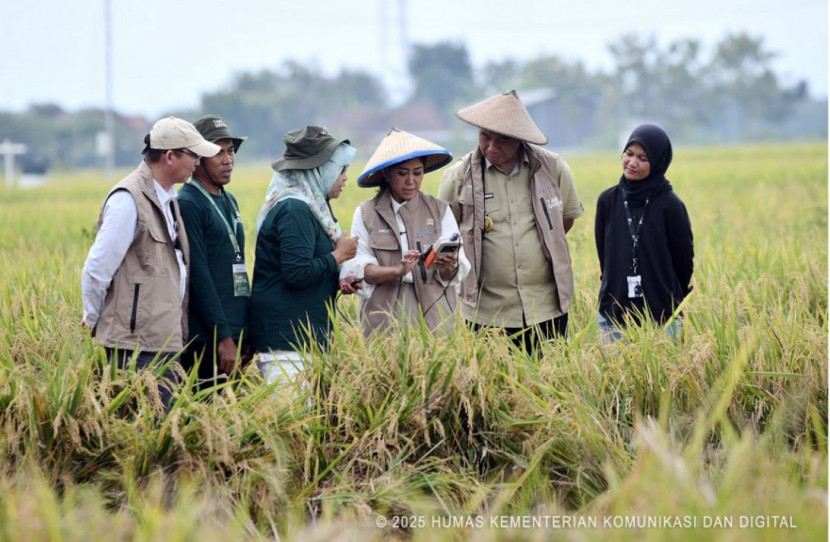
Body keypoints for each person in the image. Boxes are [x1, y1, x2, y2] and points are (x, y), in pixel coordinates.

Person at [81, 116, 220, 407]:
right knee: (142, 433)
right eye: (194, 155)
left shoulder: (169, 197)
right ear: (170, 156)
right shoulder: (128, 199)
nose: (198, 163)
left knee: (164, 431)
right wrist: (95, 320)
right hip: (135, 345)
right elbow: (97, 268)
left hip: (164, 339)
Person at [438, 90, 584, 353]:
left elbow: (565, 220)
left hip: (546, 306)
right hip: (486, 311)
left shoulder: (552, 169)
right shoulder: (459, 177)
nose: (491, 148)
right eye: (485, 137)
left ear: (520, 139)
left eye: (503, 140)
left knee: (548, 382)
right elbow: (447, 235)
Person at [248, 126, 359, 384]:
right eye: (341, 169)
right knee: (292, 421)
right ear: (318, 170)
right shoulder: (294, 210)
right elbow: (296, 273)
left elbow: (307, 266)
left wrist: (338, 277)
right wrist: (338, 256)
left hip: (302, 341)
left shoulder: (310, 207)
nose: (345, 177)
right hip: (288, 344)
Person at [340, 128, 470, 336]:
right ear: (387, 174)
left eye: (417, 173)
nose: (411, 181)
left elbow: (454, 273)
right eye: (403, 173)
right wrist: (397, 270)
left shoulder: (440, 210)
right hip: (384, 311)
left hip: (434, 312)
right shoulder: (366, 213)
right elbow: (360, 268)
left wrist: (449, 264)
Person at [594, 124, 694, 343]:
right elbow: (605, 255)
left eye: (643, 158)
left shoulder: (671, 205)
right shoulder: (608, 201)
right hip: (615, 308)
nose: (632, 162)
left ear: (658, 162)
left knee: (666, 374)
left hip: (662, 313)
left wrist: (669, 293)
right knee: (615, 374)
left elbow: (684, 261)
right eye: (629, 154)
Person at [177, 115, 250, 391]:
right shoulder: (189, 204)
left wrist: (245, 330)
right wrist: (223, 337)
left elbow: (238, 264)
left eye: (230, 150)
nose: (227, 159)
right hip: (208, 337)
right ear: (198, 159)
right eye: (217, 152)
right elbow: (199, 275)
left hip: (236, 331)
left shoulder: (229, 200)